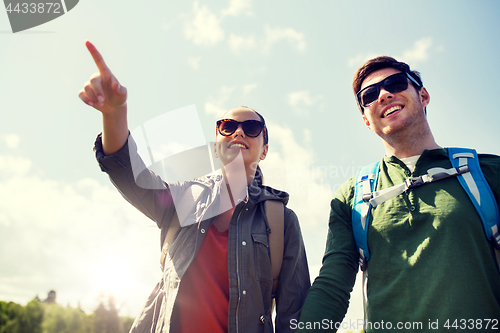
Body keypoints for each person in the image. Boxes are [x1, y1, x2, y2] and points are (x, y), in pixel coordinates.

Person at [78, 41, 310, 333]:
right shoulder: (183, 197)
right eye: (227, 126)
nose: (238, 131)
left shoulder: (282, 221)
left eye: (251, 128)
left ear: (264, 150)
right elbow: (129, 175)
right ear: (216, 145)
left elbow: (295, 314)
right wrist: (114, 114)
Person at [298, 56, 500, 332]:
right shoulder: (351, 195)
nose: (384, 94)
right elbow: (333, 284)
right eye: (369, 95)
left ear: (424, 95)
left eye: (395, 83)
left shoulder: (489, 173)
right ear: (367, 122)